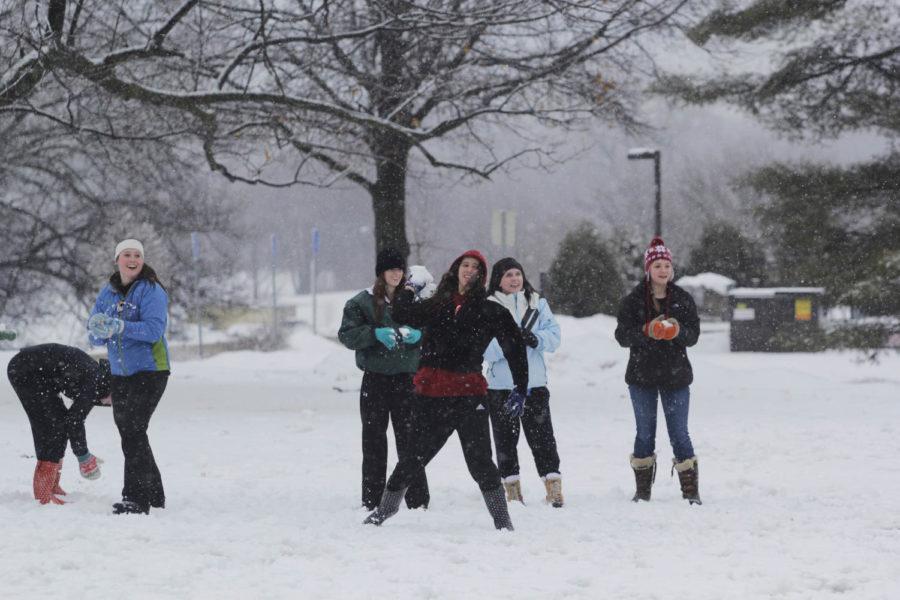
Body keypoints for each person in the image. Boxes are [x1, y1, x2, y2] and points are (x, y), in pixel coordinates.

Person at [363, 250, 528, 531]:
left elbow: (514, 346)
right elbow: (403, 313)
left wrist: (520, 386)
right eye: (465, 265)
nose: (470, 270)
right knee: (413, 458)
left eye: (476, 267)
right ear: (456, 269)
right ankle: (383, 512)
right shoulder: (437, 304)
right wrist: (409, 289)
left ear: (482, 276)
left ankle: (503, 521)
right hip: (431, 395)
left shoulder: (490, 311)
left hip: (469, 396)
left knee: (480, 463)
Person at [338, 247, 430, 511]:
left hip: (407, 380)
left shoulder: (413, 301)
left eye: (400, 269)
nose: (396, 274)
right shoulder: (361, 302)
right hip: (375, 380)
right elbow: (346, 334)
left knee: (410, 440)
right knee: (374, 439)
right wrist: (373, 334)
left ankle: (416, 497)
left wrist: (419, 335)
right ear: (381, 273)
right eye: (391, 269)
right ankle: (373, 497)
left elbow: (431, 329)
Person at [614, 236, 702, 505]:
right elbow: (622, 336)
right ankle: (642, 491)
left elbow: (693, 335)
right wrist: (646, 331)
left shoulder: (683, 299)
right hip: (642, 376)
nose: (663, 271)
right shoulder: (633, 301)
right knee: (644, 432)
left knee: (679, 432)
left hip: (676, 376)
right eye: (657, 266)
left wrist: (676, 331)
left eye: (666, 266)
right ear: (648, 270)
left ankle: (691, 490)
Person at [88, 238, 171, 515]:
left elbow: (152, 331)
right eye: (127, 254)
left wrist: (120, 326)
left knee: (133, 430)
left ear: (142, 260)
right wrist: (99, 329)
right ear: (117, 260)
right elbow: (93, 331)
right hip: (120, 372)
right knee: (130, 431)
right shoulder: (108, 293)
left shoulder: (151, 290)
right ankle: (155, 494)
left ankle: (136, 498)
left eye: (137, 254)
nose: (132, 259)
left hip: (151, 370)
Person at [483, 257, 563, 507]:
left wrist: (534, 338)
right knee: (505, 440)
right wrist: (509, 342)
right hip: (502, 385)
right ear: (498, 279)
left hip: (534, 384)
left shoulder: (538, 304)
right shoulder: (488, 307)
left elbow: (554, 336)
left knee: (543, 438)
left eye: (517, 273)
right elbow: (485, 348)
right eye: (508, 275)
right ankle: (512, 489)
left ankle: (554, 486)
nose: (514, 279)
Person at [7, 344, 111, 505]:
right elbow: (75, 421)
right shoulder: (94, 383)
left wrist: (83, 455)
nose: (110, 405)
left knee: (59, 425)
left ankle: (52, 486)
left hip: (41, 377)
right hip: (25, 370)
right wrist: (84, 457)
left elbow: (73, 419)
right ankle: (43, 494)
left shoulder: (99, 382)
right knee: (50, 427)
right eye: (114, 401)